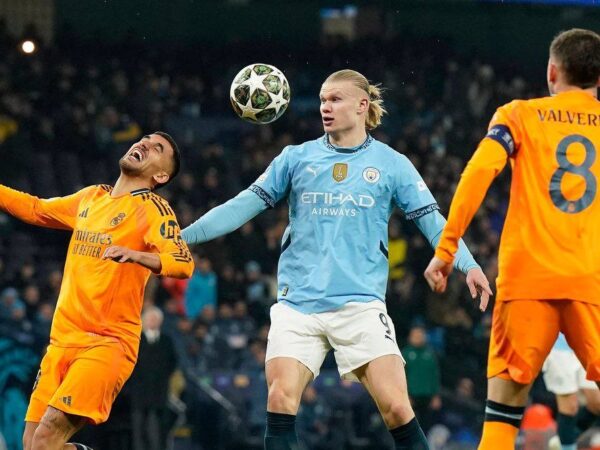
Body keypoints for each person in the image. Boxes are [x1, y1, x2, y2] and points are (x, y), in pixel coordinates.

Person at [183, 69, 490, 450]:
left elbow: (432, 221)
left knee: (397, 407)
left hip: (360, 305)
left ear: (362, 105)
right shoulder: (296, 158)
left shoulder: (392, 164)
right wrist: (182, 237)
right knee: (279, 398)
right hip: (298, 305)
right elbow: (241, 206)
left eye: (335, 99)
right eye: (323, 100)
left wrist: (467, 264)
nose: (325, 107)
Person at [423, 28, 600, 450]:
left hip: (527, 284)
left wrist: (447, 248)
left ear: (552, 72)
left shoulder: (519, 114)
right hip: (592, 282)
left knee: (501, 421)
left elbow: (477, 173)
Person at [0, 132, 194, 450]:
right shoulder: (92, 197)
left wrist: (137, 255)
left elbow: (183, 263)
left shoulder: (154, 209)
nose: (144, 143)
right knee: (32, 444)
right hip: (61, 343)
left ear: (160, 176)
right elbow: (35, 208)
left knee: (46, 438)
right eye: (145, 139)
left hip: (107, 344)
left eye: (157, 148)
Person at [129, 305, 178, 450]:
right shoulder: (136, 340)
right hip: (138, 390)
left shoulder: (166, 341)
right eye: (150, 318)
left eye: (155, 319)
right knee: (138, 424)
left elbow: (173, 362)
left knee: (156, 424)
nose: (152, 321)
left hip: (159, 390)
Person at [543, 334, 600, 450]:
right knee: (569, 407)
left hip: (588, 344)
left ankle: (563, 440)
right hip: (559, 349)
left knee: (597, 403)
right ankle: (567, 445)